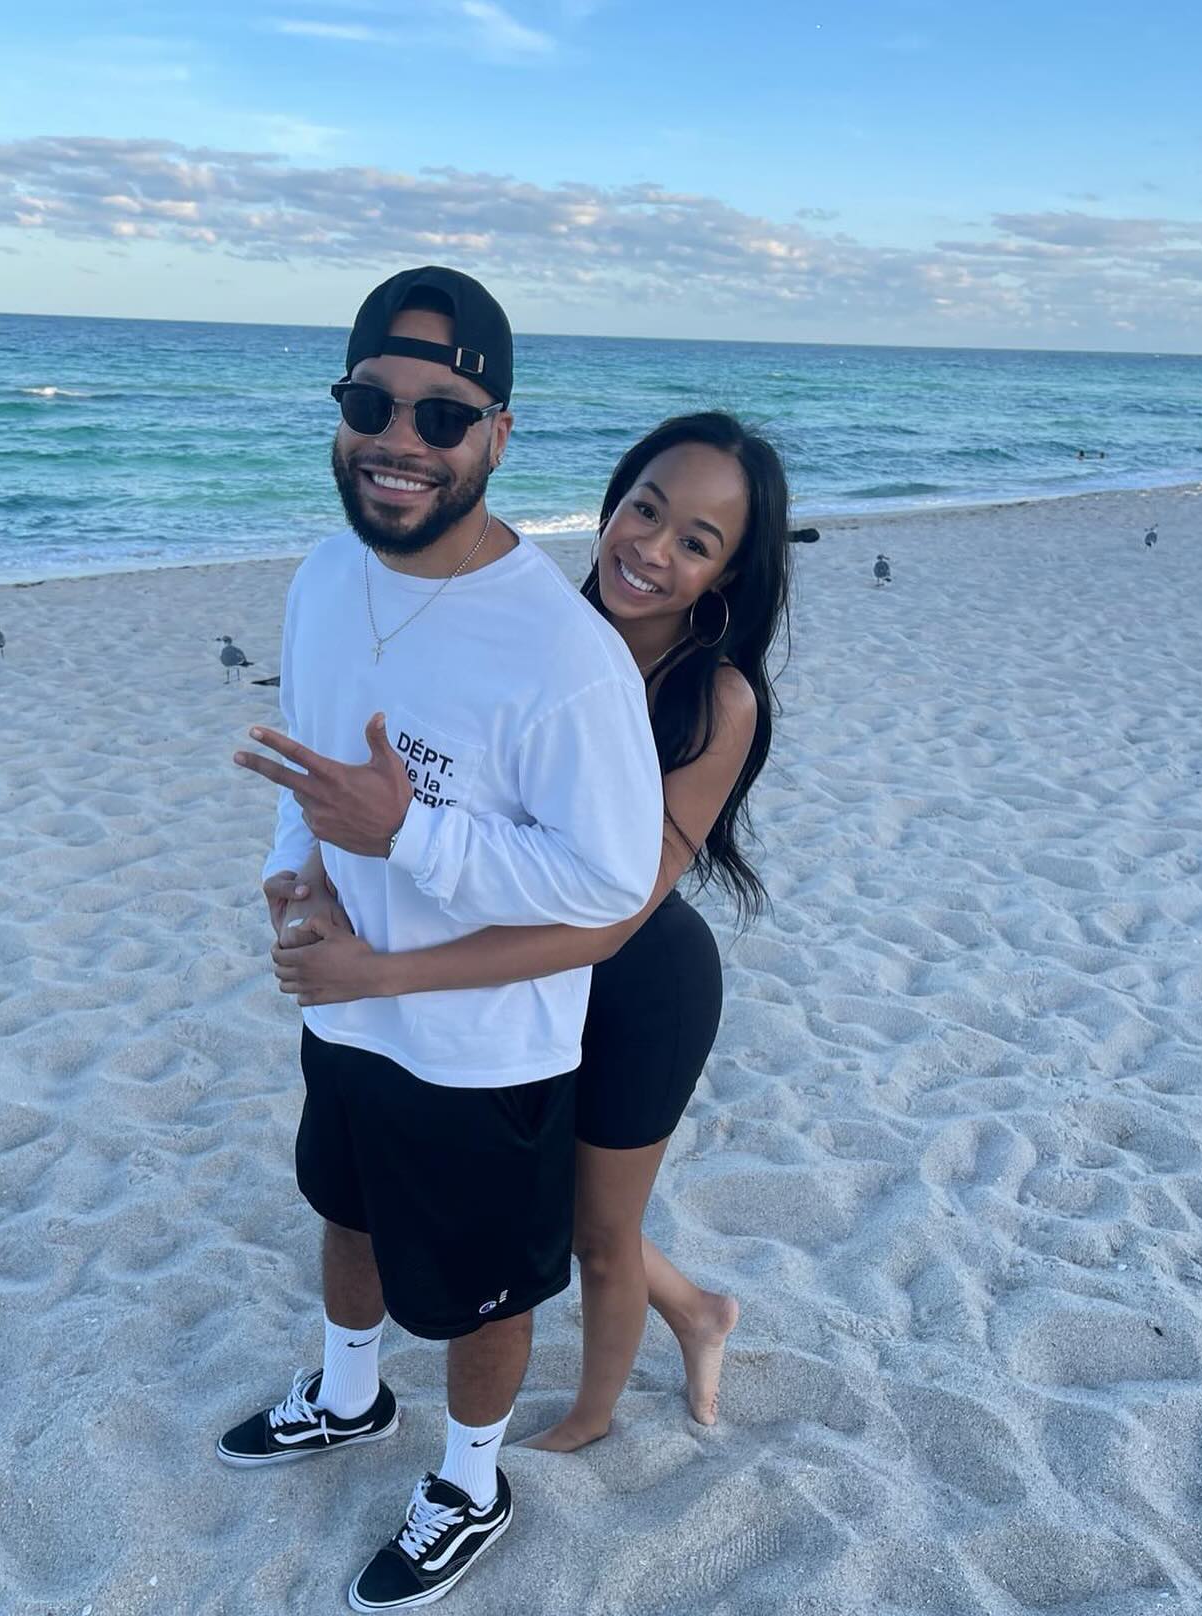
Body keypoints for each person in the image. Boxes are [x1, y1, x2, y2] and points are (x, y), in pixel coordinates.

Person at [218, 266, 664, 1613]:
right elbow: (309, 773)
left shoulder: (562, 653)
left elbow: (602, 884)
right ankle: (350, 1399)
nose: (399, 439)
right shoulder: (320, 572)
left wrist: (404, 836)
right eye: (371, 400)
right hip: (340, 1002)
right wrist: (291, 876)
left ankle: (471, 1479)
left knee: (479, 1295)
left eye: (442, 414)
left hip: (482, 1049)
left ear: (497, 437)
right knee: (341, 1211)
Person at [275, 411, 792, 1453]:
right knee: (534, 1191)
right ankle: (695, 1304)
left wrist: (378, 971)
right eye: (643, 509)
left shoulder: (714, 698)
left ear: (727, 573)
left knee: (596, 1227)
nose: (650, 548)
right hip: (506, 953)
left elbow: (604, 920)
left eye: (696, 539)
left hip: (636, 974)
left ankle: (591, 1416)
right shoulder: (539, 626)